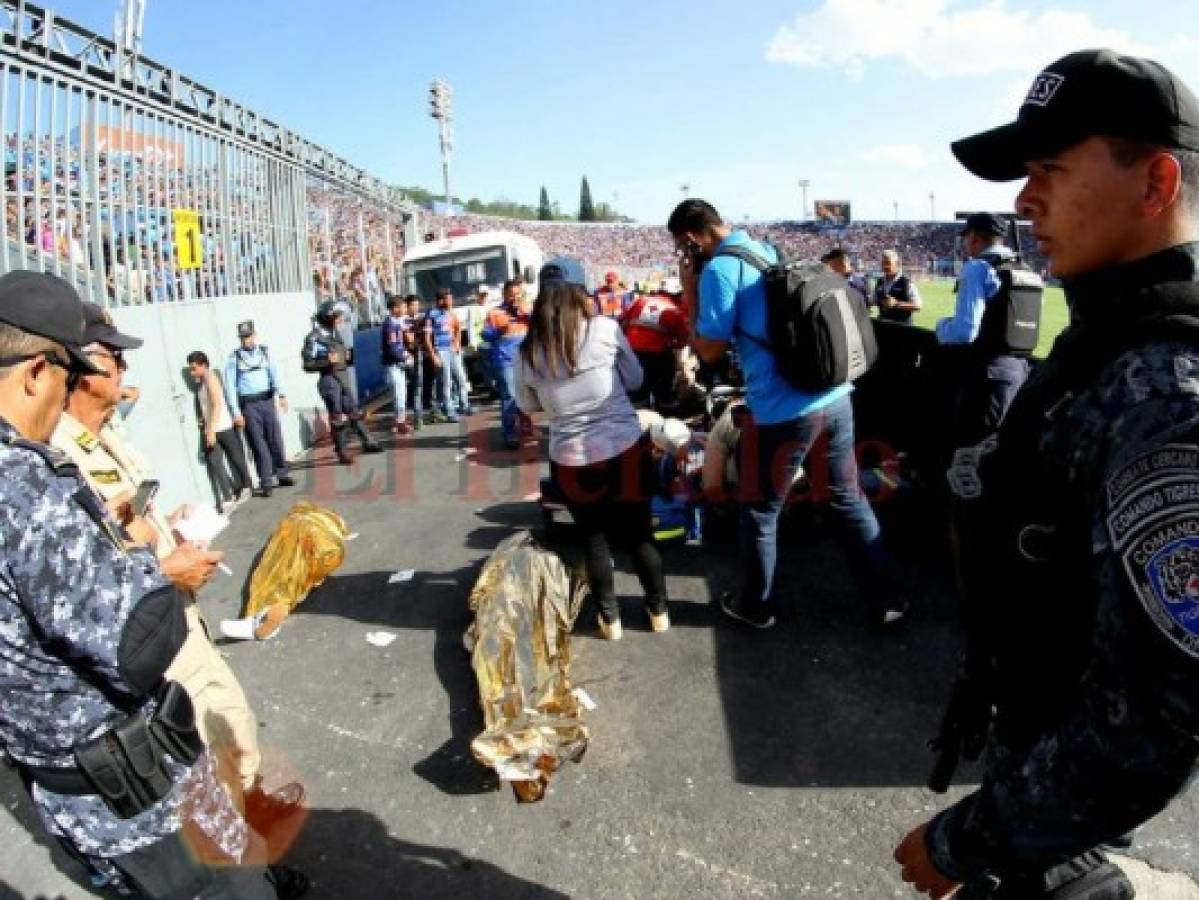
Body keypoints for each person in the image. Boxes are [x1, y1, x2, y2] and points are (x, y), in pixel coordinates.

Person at [894, 49, 1199, 899]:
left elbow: (1150, 727)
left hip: (1055, 804)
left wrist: (966, 841)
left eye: (1051, 171)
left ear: (1155, 183)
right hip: (1032, 744)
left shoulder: (1168, 395)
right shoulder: (1109, 333)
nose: (1024, 202)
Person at [0, 271, 306, 898]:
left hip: (63, 782)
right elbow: (134, 638)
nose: (62, 400)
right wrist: (156, 573)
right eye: (65, 376)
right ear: (36, 372)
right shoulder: (22, 482)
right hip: (134, 790)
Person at [53, 303, 306, 828]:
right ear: (80, 366)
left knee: (228, 718)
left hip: (175, 609)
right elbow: (80, 579)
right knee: (203, 738)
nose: (123, 370)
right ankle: (242, 847)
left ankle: (248, 813)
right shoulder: (56, 455)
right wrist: (167, 568)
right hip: (146, 624)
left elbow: (129, 519)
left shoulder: (104, 432)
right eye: (113, 359)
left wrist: (171, 525)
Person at [668, 198, 906, 630]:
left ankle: (756, 607)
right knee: (849, 499)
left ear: (689, 238)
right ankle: (887, 600)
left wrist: (689, 289)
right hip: (834, 394)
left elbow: (709, 349)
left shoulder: (721, 270)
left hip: (783, 408)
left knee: (760, 510)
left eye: (682, 249)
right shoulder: (768, 249)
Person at [516, 260, 670, 640]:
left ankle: (610, 620)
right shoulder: (605, 329)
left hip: (571, 457)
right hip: (623, 449)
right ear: (581, 291)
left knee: (593, 538)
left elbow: (529, 406)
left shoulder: (528, 350)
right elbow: (635, 380)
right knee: (639, 533)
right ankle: (658, 613)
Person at [934, 212, 1032, 448]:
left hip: (986, 375)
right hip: (1021, 374)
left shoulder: (978, 267)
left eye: (967, 237)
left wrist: (941, 326)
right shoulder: (1025, 268)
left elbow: (964, 332)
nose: (966, 243)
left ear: (975, 238)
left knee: (970, 455)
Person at [303, 301, 382, 465]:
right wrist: (326, 361)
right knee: (337, 415)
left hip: (343, 376)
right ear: (327, 317)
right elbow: (307, 364)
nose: (339, 320)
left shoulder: (335, 333)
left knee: (353, 410)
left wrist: (348, 356)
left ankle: (368, 441)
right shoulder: (314, 337)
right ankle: (342, 450)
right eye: (336, 317)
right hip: (329, 378)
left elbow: (344, 356)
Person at [224, 320, 293, 497]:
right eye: (243, 337)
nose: (246, 340)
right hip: (249, 404)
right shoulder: (234, 358)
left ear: (254, 335)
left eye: (249, 336)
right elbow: (230, 386)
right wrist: (236, 412)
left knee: (275, 439)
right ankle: (266, 481)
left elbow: (274, 373)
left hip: (267, 400)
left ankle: (282, 473)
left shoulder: (264, 352)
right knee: (258, 444)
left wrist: (282, 394)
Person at [187, 350, 252, 511]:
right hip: (212, 428)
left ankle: (247, 486)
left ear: (203, 365)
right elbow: (206, 406)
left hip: (222, 426)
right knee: (216, 462)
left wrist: (211, 430)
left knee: (236, 457)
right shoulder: (200, 383)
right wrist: (203, 421)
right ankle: (228, 497)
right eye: (190, 368)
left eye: (194, 368)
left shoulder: (211, 378)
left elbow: (217, 404)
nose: (191, 372)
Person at [620, 279, 688, 411]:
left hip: (632, 351)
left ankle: (638, 409)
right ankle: (665, 404)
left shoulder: (640, 300)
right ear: (676, 294)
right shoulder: (675, 310)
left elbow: (623, 319)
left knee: (637, 387)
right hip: (657, 353)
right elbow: (682, 340)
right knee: (664, 379)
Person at [483, 278, 532, 449]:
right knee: (509, 396)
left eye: (518, 294)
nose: (515, 298)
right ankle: (509, 433)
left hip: (527, 359)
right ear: (505, 295)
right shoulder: (494, 313)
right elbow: (485, 335)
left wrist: (525, 314)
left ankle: (525, 421)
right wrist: (499, 329)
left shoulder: (527, 310)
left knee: (527, 394)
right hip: (505, 360)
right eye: (512, 295)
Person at [423, 288, 470, 422]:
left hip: (452, 350)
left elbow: (457, 328)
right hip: (440, 351)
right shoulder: (431, 314)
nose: (451, 302)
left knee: (461, 377)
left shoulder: (450, 313)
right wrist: (434, 356)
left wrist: (457, 343)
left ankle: (464, 404)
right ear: (441, 300)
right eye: (448, 299)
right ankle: (449, 411)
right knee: (446, 382)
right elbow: (427, 338)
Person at [381, 294, 416, 434]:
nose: (405, 309)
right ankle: (400, 422)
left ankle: (400, 420)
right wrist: (404, 358)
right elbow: (392, 348)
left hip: (398, 364)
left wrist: (406, 354)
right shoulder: (390, 325)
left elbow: (399, 346)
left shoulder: (396, 323)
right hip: (393, 365)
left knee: (402, 393)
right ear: (395, 308)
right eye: (402, 306)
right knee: (399, 394)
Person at [462, 284, 496, 396]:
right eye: (481, 295)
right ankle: (491, 388)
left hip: (493, 341)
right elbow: (470, 327)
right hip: (481, 343)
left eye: (485, 295)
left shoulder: (492, 308)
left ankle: (496, 387)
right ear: (477, 296)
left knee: (494, 366)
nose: (483, 297)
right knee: (486, 367)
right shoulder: (473, 309)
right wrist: (473, 344)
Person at [873, 249, 922, 324]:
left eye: (888, 263)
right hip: (883, 326)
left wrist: (897, 304)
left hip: (902, 329)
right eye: (883, 263)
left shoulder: (906, 282)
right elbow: (874, 301)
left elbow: (918, 306)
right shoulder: (880, 282)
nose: (884, 266)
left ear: (897, 264)